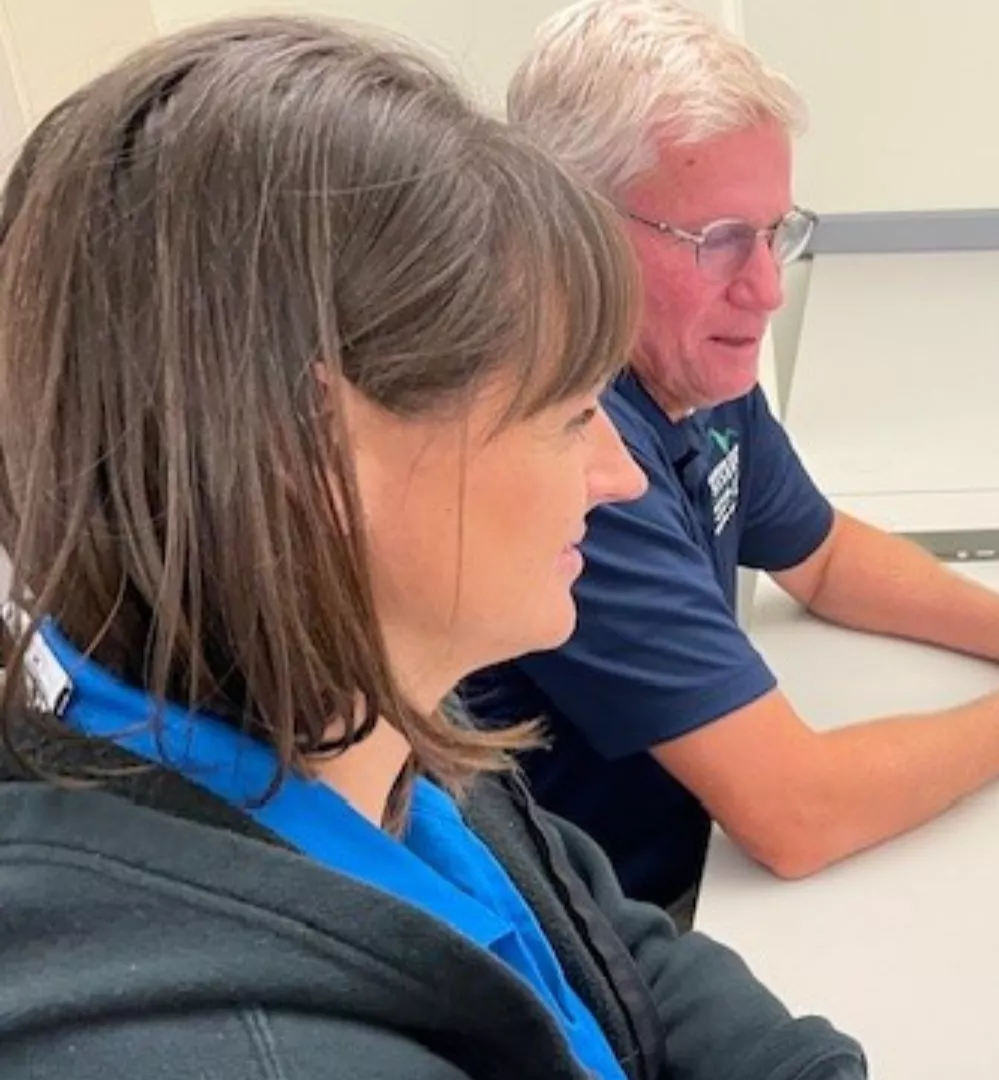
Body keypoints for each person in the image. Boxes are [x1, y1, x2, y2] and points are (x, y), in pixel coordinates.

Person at [0, 17, 863, 1080]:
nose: (620, 472)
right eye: (568, 412)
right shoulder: (226, 1048)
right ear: (313, 453)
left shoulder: (362, 725)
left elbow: (616, 957)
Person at [463, 0, 999, 920]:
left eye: (775, 233)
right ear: (573, 227)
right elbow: (796, 812)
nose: (765, 288)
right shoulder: (573, 450)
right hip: (616, 927)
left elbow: (825, 557)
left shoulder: (691, 372)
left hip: (696, 871)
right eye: (719, 239)